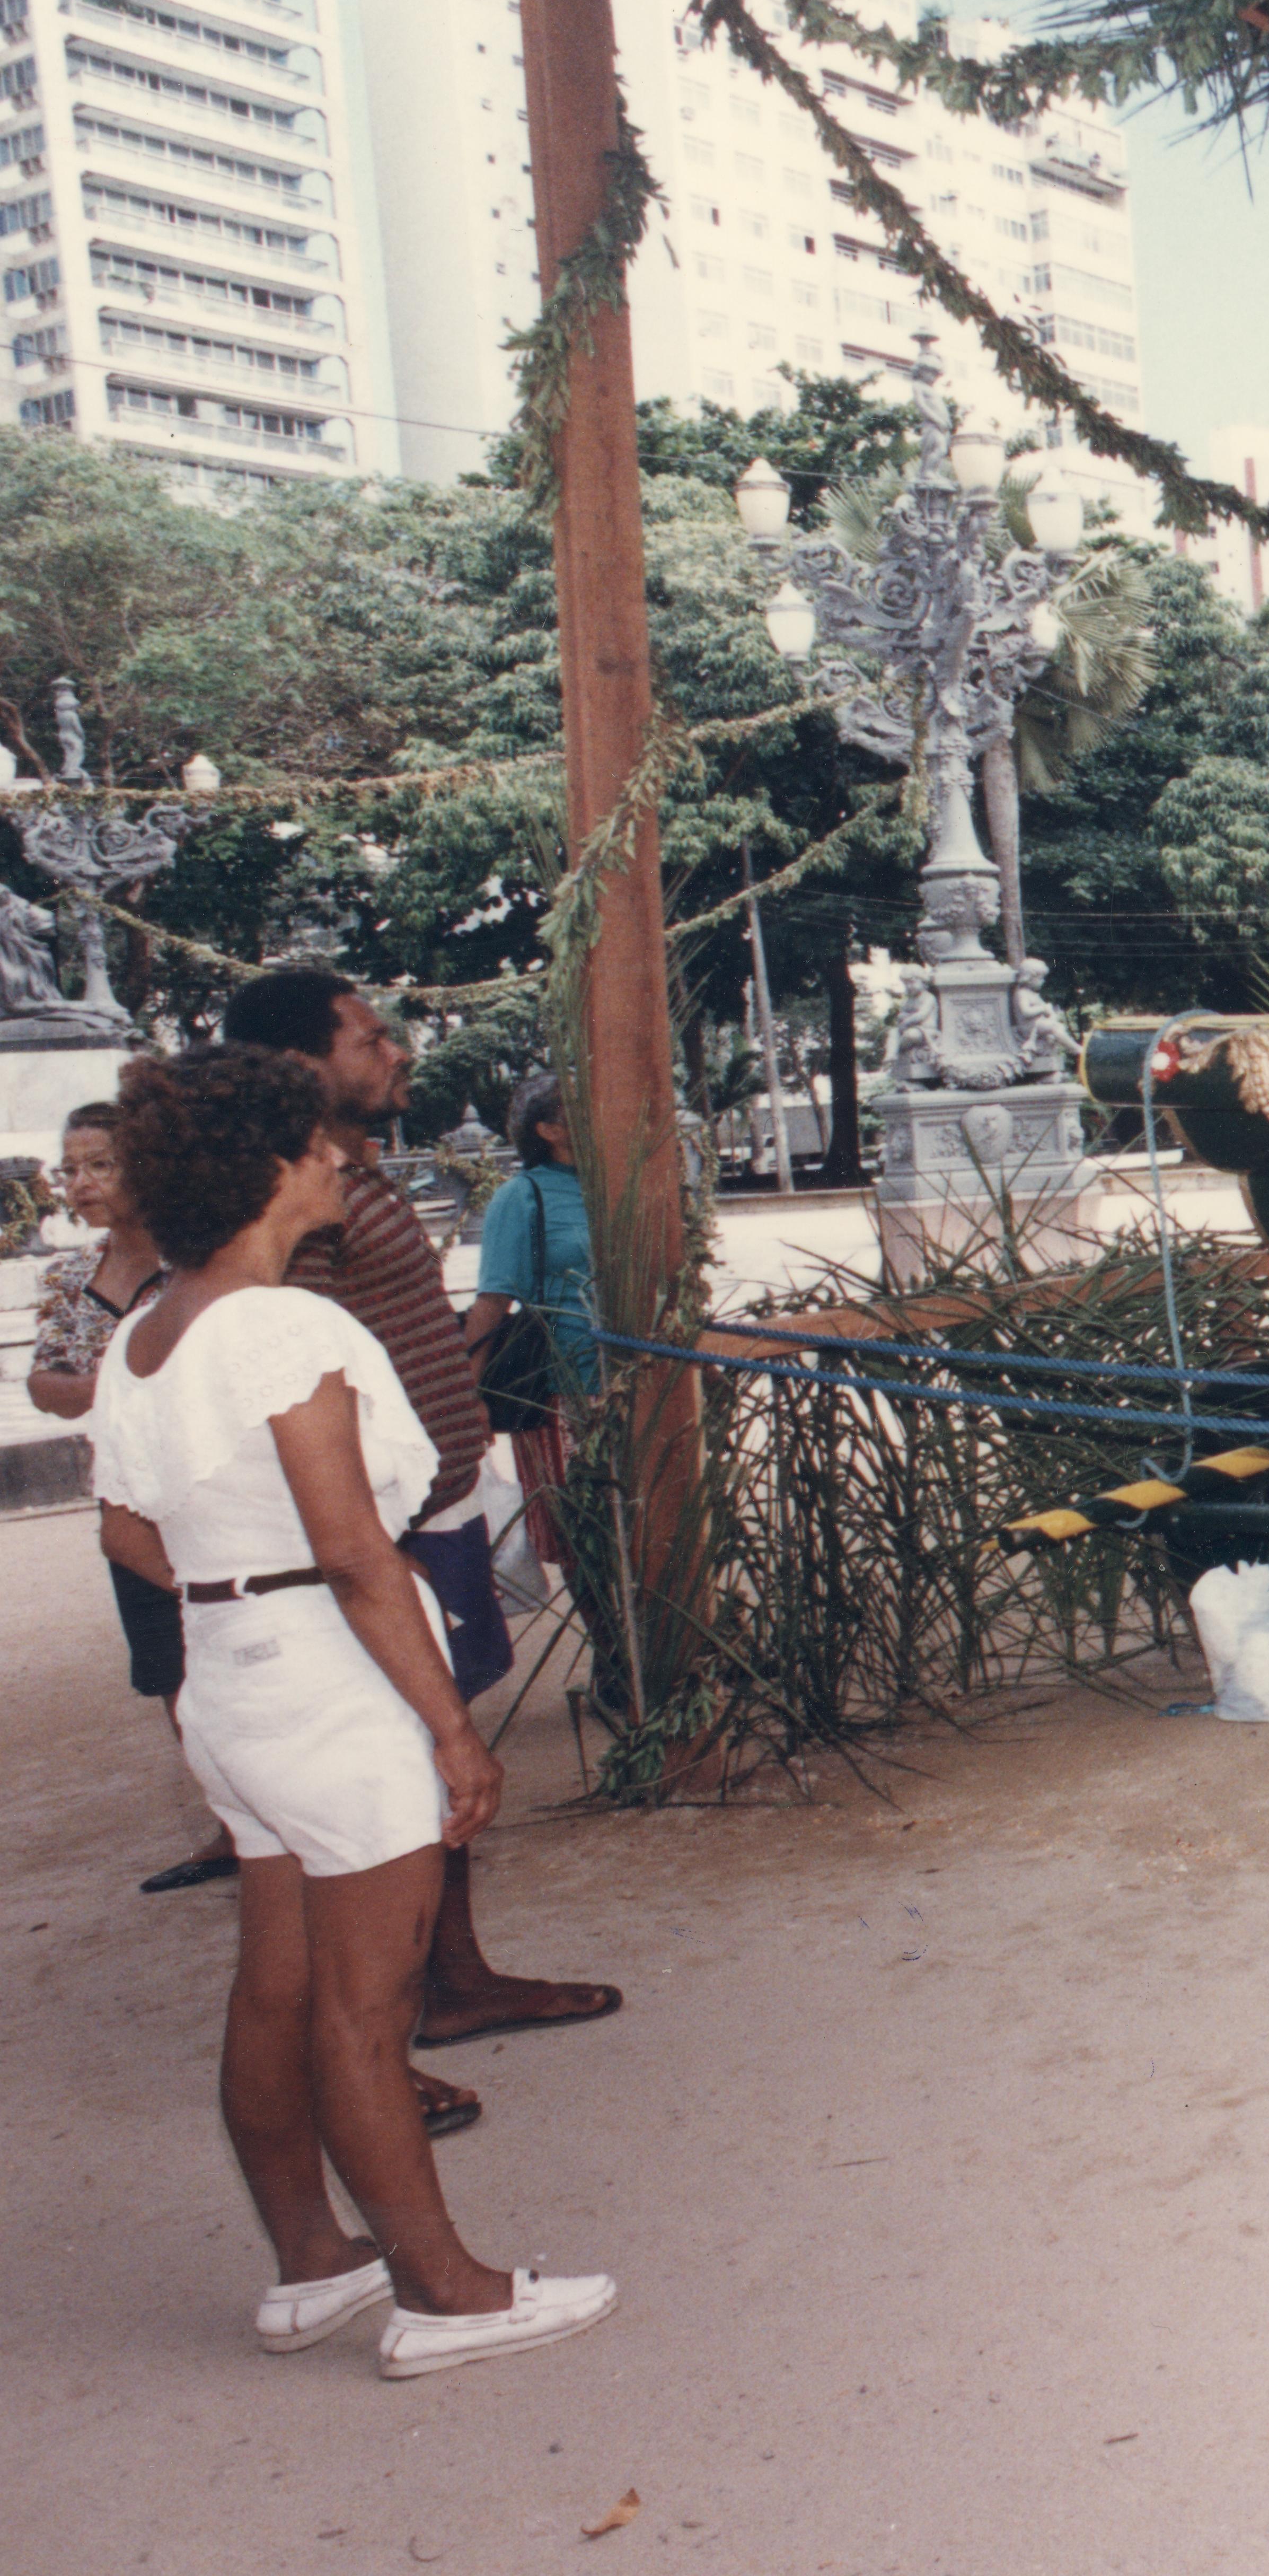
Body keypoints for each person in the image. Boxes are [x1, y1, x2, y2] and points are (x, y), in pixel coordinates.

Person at [89, 1046, 614, 2375]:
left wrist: (238, 1587)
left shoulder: (149, 1330)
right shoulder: (285, 1328)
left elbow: (129, 1535)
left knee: (276, 1987)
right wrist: (447, 1728)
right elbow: (360, 1555)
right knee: (365, 2010)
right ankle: (448, 2293)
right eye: (321, 1139)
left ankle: (311, 2265)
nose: (343, 1156)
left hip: (231, 1676)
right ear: (271, 1164)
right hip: (327, 1675)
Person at [215, 970, 621, 2061]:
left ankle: (449, 1981)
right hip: (371, 1534)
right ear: (302, 1062)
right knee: (392, 1777)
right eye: (370, 1034)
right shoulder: (287, 1198)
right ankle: (371, 2046)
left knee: (427, 1765)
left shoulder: (350, 1171)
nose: (397, 1050)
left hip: (426, 1507)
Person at [27, 1101, 236, 1894]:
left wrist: (115, 1382)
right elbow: (45, 1381)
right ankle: (230, 1825)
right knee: (170, 1669)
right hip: (129, 1500)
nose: (78, 1183)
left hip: (211, 1489)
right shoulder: (68, 1279)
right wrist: (104, 1385)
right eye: (70, 1167)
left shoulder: (201, 1265)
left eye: (99, 1164)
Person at [463, 1073, 595, 1571]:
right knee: (587, 1546)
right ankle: (613, 1650)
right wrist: (469, 1397)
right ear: (549, 1131)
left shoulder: (623, 1186)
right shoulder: (522, 1197)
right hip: (562, 1398)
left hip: (642, 1383)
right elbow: (492, 1304)